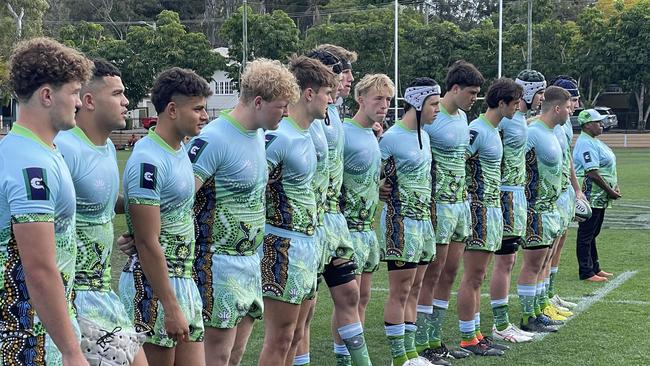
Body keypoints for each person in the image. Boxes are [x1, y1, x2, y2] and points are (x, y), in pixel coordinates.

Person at [189, 58, 299, 366]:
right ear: (259, 101)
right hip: (215, 263)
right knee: (217, 357)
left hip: (251, 261)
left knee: (235, 356)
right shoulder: (214, 138)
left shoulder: (259, 137)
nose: (287, 113)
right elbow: (179, 197)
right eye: (282, 106)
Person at [1, 37, 92, 366]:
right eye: (73, 92)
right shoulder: (30, 164)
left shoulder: (42, 151)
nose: (80, 102)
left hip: (44, 328)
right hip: (27, 335)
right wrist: (71, 350)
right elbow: (38, 269)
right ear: (47, 95)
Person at [54, 58, 147, 365]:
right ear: (90, 101)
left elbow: (105, 202)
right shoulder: (65, 149)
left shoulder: (107, 147)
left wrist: (142, 225)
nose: (126, 101)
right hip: (74, 294)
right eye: (117, 93)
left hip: (103, 289)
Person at [119, 67, 212, 366]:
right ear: (172, 110)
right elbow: (147, 243)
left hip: (183, 279)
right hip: (153, 285)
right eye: (197, 109)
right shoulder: (148, 160)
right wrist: (171, 307)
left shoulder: (179, 148)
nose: (205, 116)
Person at [258, 55, 337, 366]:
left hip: (307, 245)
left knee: (296, 334)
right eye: (327, 93)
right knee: (280, 337)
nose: (331, 100)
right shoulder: (278, 137)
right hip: (282, 245)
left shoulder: (305, 134)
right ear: (309, 94)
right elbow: (251, 186)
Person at [306, 45, 373, 366]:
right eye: (342, 71)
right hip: (306, 224)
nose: (349, 78)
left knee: (350, 294)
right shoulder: (301, 111)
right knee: (302, 312)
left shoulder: (334, 112)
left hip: (335, 221)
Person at [416, 60, 484, 361]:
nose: (474, 98)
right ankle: (422, 343)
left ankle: (436, 338)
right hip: (437, 205)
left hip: (460, 205)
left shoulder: (463, 117)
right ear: (454, 89)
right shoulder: (432, 117)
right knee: (432, 274)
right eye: (471, 92)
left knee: (450, 273)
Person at [457, 78, 523, 356]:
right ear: (501, 103)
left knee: (479, 276)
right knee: (473, 276)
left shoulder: (494, 130)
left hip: (492, 209)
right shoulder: (477, 129)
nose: (518, 108)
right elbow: (459, 163)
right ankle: (468, 337)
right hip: (479, 210)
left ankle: (476, 334)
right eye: (515, 103)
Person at [379, 77, 440, 366]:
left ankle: (411, 352)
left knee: (416, 288)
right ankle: (397, 357)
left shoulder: (425, 136)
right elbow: (373, 174)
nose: (437, 109)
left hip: (423, 223)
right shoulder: (391, 137)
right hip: (400, 223)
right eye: (433, 104)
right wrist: (378, 186)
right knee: (400, 290)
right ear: (416, 103)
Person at [489, 70, 545, 343]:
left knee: (509, 260)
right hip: (503, 195)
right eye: (539, 92)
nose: (541, 98)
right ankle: (500, 323)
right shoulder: (503, 122)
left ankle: (503, 321)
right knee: (504, 261)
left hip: (518, 195)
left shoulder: (520, 120)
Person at [342, 73, 394, 364]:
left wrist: (379, 188)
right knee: (347, 301)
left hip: (367, 228)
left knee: (362, 299)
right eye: (378, 98)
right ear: (360, 99)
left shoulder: (373, 134)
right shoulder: (345, 132)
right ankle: (343, 359)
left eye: (387, 99)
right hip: (347, 229)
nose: (384, 104)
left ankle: (352, 357)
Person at [518, 86, 571, 333]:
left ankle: (538, 309)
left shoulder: (551, 131)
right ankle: (528, 316)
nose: (571, 112)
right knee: (533, 263)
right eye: (568, 107)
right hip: (535, 208)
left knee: (543, 262)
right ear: (557, 108)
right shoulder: (533, 132)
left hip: (550, 208)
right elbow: (515, 162)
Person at [545, 76, 588, 312]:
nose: (577, 104)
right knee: (548, 247)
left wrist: (576, 188)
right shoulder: (549, 124)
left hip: (563, 192)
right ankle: (542, 297)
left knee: (559, 243)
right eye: (573, 98)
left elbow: (568, 158)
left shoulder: (567, 123)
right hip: (551, 194)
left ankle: (550, 292)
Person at [573, 109, 620, 281]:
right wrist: (610, 191)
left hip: (599, 196)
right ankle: (586, 272)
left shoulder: (594, 141)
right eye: (597, 122)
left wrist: (614, 186)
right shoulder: (586, 143)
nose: (601, 124)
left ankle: (595, 267)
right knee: (586, 234)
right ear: (587, 125)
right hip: (590, 194)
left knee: (593, 233)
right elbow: (592, 172)